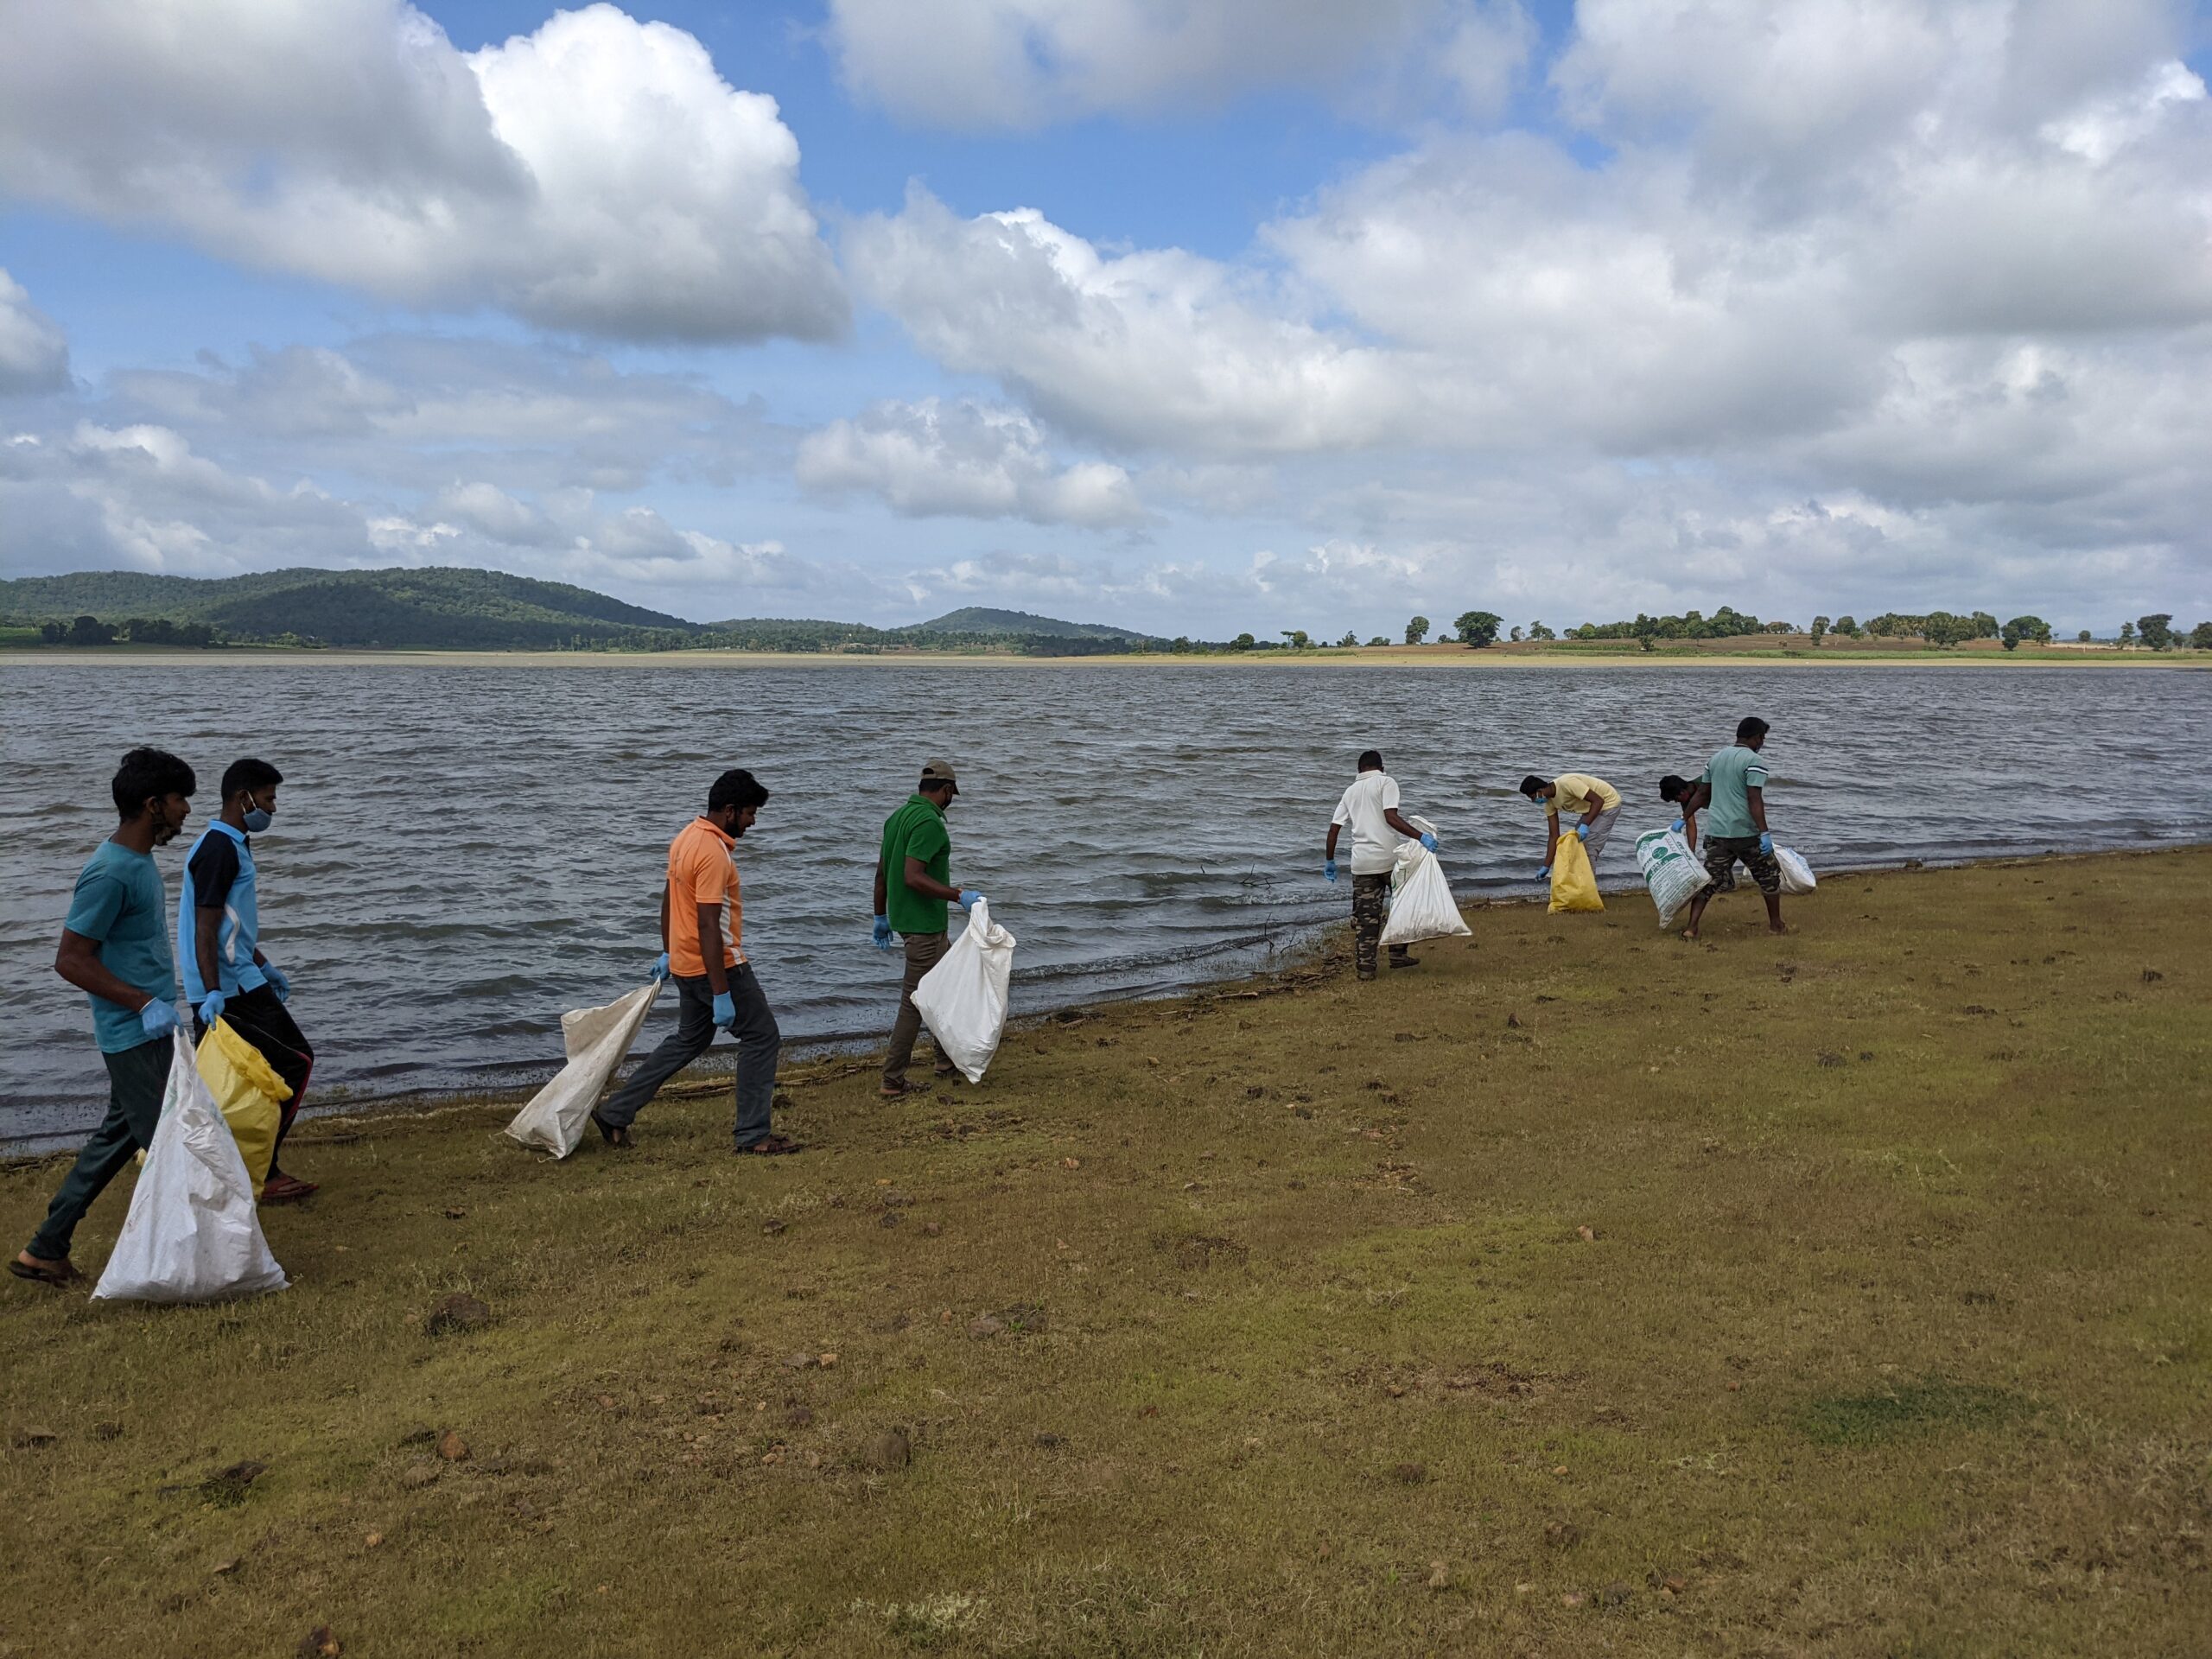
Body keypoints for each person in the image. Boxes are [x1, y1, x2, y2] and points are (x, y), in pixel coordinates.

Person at [13, 748, 195, 1287]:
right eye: (180, 798)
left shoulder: (139, 863)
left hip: (149, 1027)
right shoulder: (111, 872)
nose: (187, 809)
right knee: (173, 1146)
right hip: (133, 1033)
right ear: (152, 804)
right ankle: (186, 1262)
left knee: (117, 1137)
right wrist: (143, 1003)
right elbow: (70, 959)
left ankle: (45, 1249)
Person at [592, 768, 794, 1154]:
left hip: (687, 965)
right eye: (750, 813)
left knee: (689, 1039)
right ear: (730, 810)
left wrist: (669, 951)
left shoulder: (685, 838)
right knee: (762, 1037)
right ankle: (754, 1136)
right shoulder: (714, 854)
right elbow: (707, 923)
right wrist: (721, 991)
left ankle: (615, 1112)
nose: (752, 822)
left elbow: (669, 900)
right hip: (719, 967)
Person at [181, 758, 317, 1204]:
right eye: (269, 798)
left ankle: (237, 1165)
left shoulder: (232, 842)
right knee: (296, 1061)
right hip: (227, 988)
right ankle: (265, 1170)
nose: (273, 808)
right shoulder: (218, 848)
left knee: (238, 1079)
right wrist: (211, 991)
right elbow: (204, 927)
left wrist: (263, 962)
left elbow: (229, 926)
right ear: (244, 798)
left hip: (241, 977)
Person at [874, 760, 982, 1098]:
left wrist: (880, 916)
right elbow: (912, 876)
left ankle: (944, 1059)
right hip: (924, 927)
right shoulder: (929, 823)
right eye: (952, 795)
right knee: (915, 1003)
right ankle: (893, 1079)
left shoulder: (897, 818)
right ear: (947, 790)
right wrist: (958, 895)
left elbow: (882, 873)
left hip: (908, 922)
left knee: (945, 991)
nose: (951, 801)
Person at [1325, 749, 1438, 981]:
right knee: (1405, 904)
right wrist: (1420, 837)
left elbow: (1334, 828)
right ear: (1381, 767)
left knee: (1367, 920)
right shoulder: (1387, 783)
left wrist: (1330, 860)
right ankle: (1397, 955)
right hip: (1390, 860)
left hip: (1362, 864)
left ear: (1359, 770)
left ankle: (1366, 970)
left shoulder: (1350, 791)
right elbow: (1391, 817)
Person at [1674, 716, 1786, 940]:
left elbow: (1702, 793)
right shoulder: (1754, 761)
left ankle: (1691, 928)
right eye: (1762, 738)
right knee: (1769, 876)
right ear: (1756, 737)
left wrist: (1684, 818)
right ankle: (1776, 925)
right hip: (1746, 833)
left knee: (1708, 882)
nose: (1762, 742)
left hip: (1717, 832)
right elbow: (1754, 799)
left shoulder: (1715, 759)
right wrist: (1764, 833)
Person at [1519, 772, 1624, 882]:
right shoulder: (1549, 804)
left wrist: (1585, 825)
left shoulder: (1567, 783)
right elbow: (1554, 836)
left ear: (1540, 791)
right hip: (1591, 808)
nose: (1533, 801)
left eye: (1532, 797)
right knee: (1575, 843)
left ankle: (1589, 886)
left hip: (1608, 803)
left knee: (1589, 847)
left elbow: (1598, 801)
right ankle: (1578, 882)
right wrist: (1546, 866)